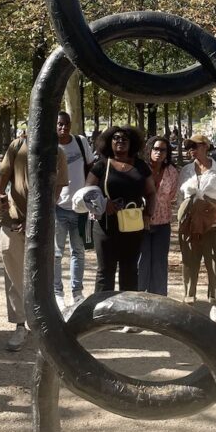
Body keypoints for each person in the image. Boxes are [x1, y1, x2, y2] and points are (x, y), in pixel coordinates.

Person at [0, 137, 68, 350]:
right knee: (14, 275)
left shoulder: (57, 152)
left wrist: (34, 220)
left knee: (41, 275)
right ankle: (19, 326)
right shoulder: (17, 145)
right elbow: (2, 177)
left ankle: (45, 325)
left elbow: (55, 194)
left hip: (41, 226)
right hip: (12, 222)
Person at [86, 126, 155, 294]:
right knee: (105, 272)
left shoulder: (141, 166)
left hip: (133, 225)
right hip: (105, 225)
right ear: (109, 142)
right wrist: (102, 203)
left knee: (130, 270)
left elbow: (151, 192)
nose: (120, 141)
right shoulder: (101, 165)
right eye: (116, 138)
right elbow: (87, 191)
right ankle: (101, 313)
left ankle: (128, 312)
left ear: (132, 143)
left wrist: (148, 214)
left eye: (125, 139)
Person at [178, 134, 216, 324]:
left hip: (214, 224)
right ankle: (189, 301)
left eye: (195, 146)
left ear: (206, 147)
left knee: (215, 263)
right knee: (190, 263)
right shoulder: (186, 170)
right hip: (191, 224)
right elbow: (180, 196)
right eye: (189, 147)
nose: (191, 150)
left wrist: (210, 205)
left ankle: (215, 304)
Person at [54, 111, 94, 308]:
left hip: (80, 209)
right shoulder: (50, 147)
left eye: (67, 124)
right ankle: (57, 293)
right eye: (60, 124)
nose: (64, 127)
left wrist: (88, 196)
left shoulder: (81, 142)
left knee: (78, 251)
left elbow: (91, 168)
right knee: (56, 253)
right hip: (58, 208)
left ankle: (77, 293)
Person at [139, 136, 179, 296]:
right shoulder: (141, 169)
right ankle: (139, 297)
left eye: (163, 150)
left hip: (163, 223)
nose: (159, 152)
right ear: (149, 149)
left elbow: (173, 195)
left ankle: (158, 298)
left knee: (159, 263)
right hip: (140, 222)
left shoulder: (172, 172)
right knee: (142, 262)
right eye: (155, 149)